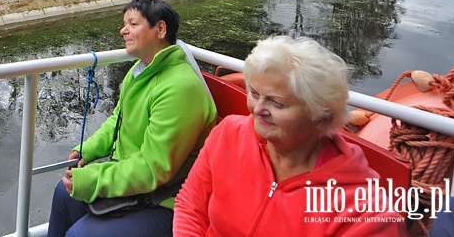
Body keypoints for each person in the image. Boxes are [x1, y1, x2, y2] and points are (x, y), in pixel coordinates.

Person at [173, 36, 407, 236]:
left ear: (322, 116)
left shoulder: (363, 211)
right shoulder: (229, 133)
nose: (257, 109)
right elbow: (190, 205)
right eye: (254, 93)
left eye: (276, 102)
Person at [47, 0, 217, 237]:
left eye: (132, 24)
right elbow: (118, 119)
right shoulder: (140, 71)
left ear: (160, 29)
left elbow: (153, 168)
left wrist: (92, 179)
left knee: (81, 234)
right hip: (139, 187)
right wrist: (87, 149)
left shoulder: (180, 88)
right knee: (63, 195)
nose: (123, 30)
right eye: (124, 24)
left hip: (168, 200)